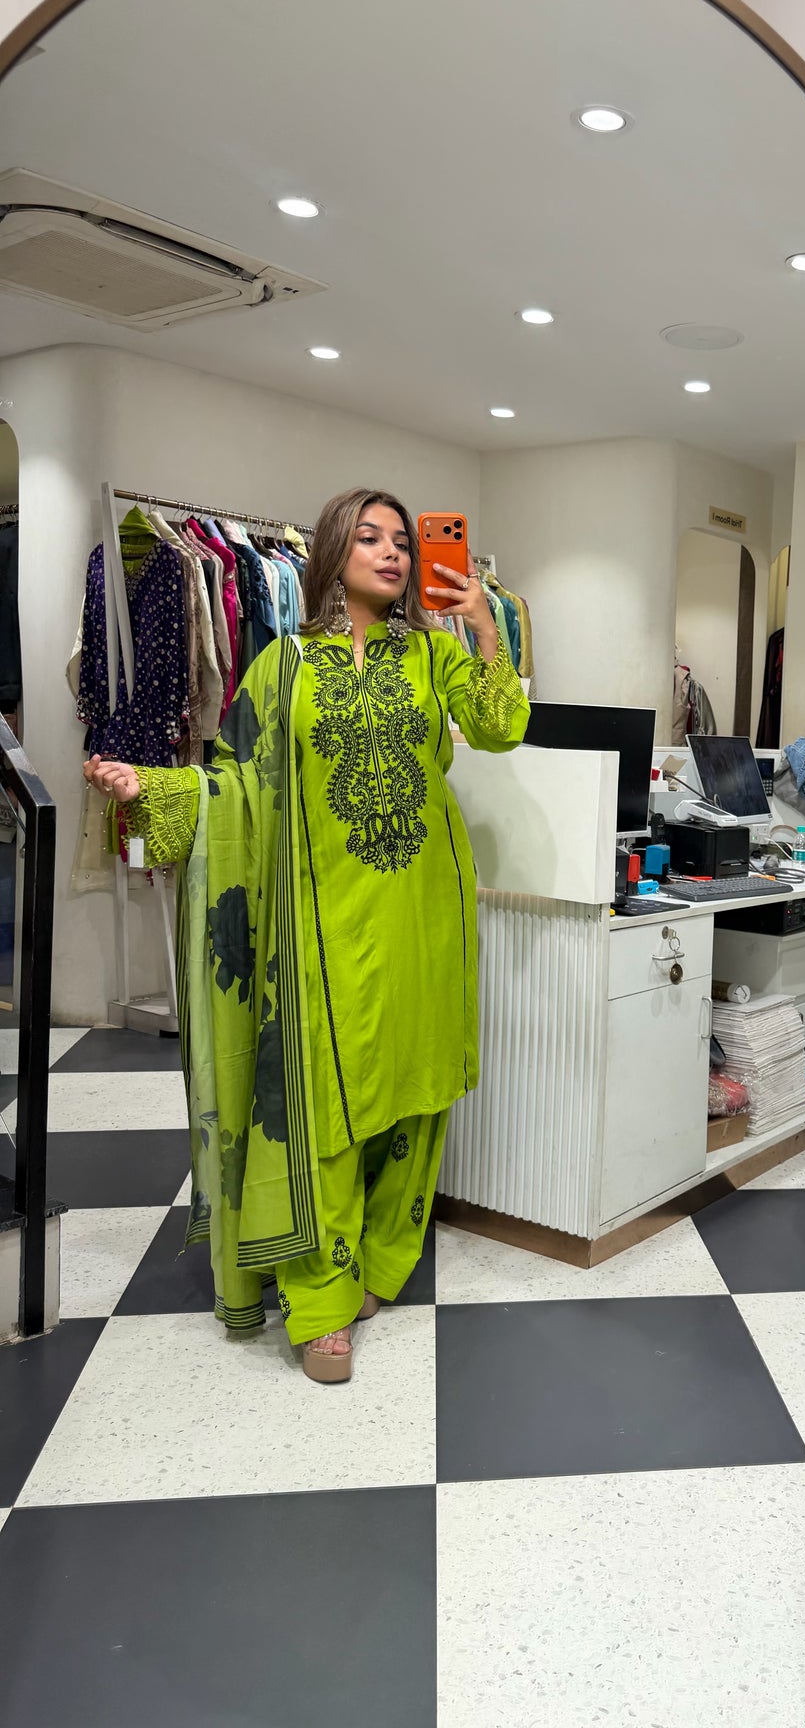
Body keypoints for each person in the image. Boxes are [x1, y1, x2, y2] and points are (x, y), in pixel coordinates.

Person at [84, 487, 529, 1382]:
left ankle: (377, 1260)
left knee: (414, 1089)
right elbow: (234, 781)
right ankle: (320, 1298)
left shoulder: (432, 654)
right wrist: (155, 790)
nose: (392, 552)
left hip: (424, 909)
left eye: (401, 541)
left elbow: (500, 728)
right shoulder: (280, 665)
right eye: (369, 538)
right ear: (331, 552)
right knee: (320, 1095)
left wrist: (484, 628)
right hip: (321, 915)